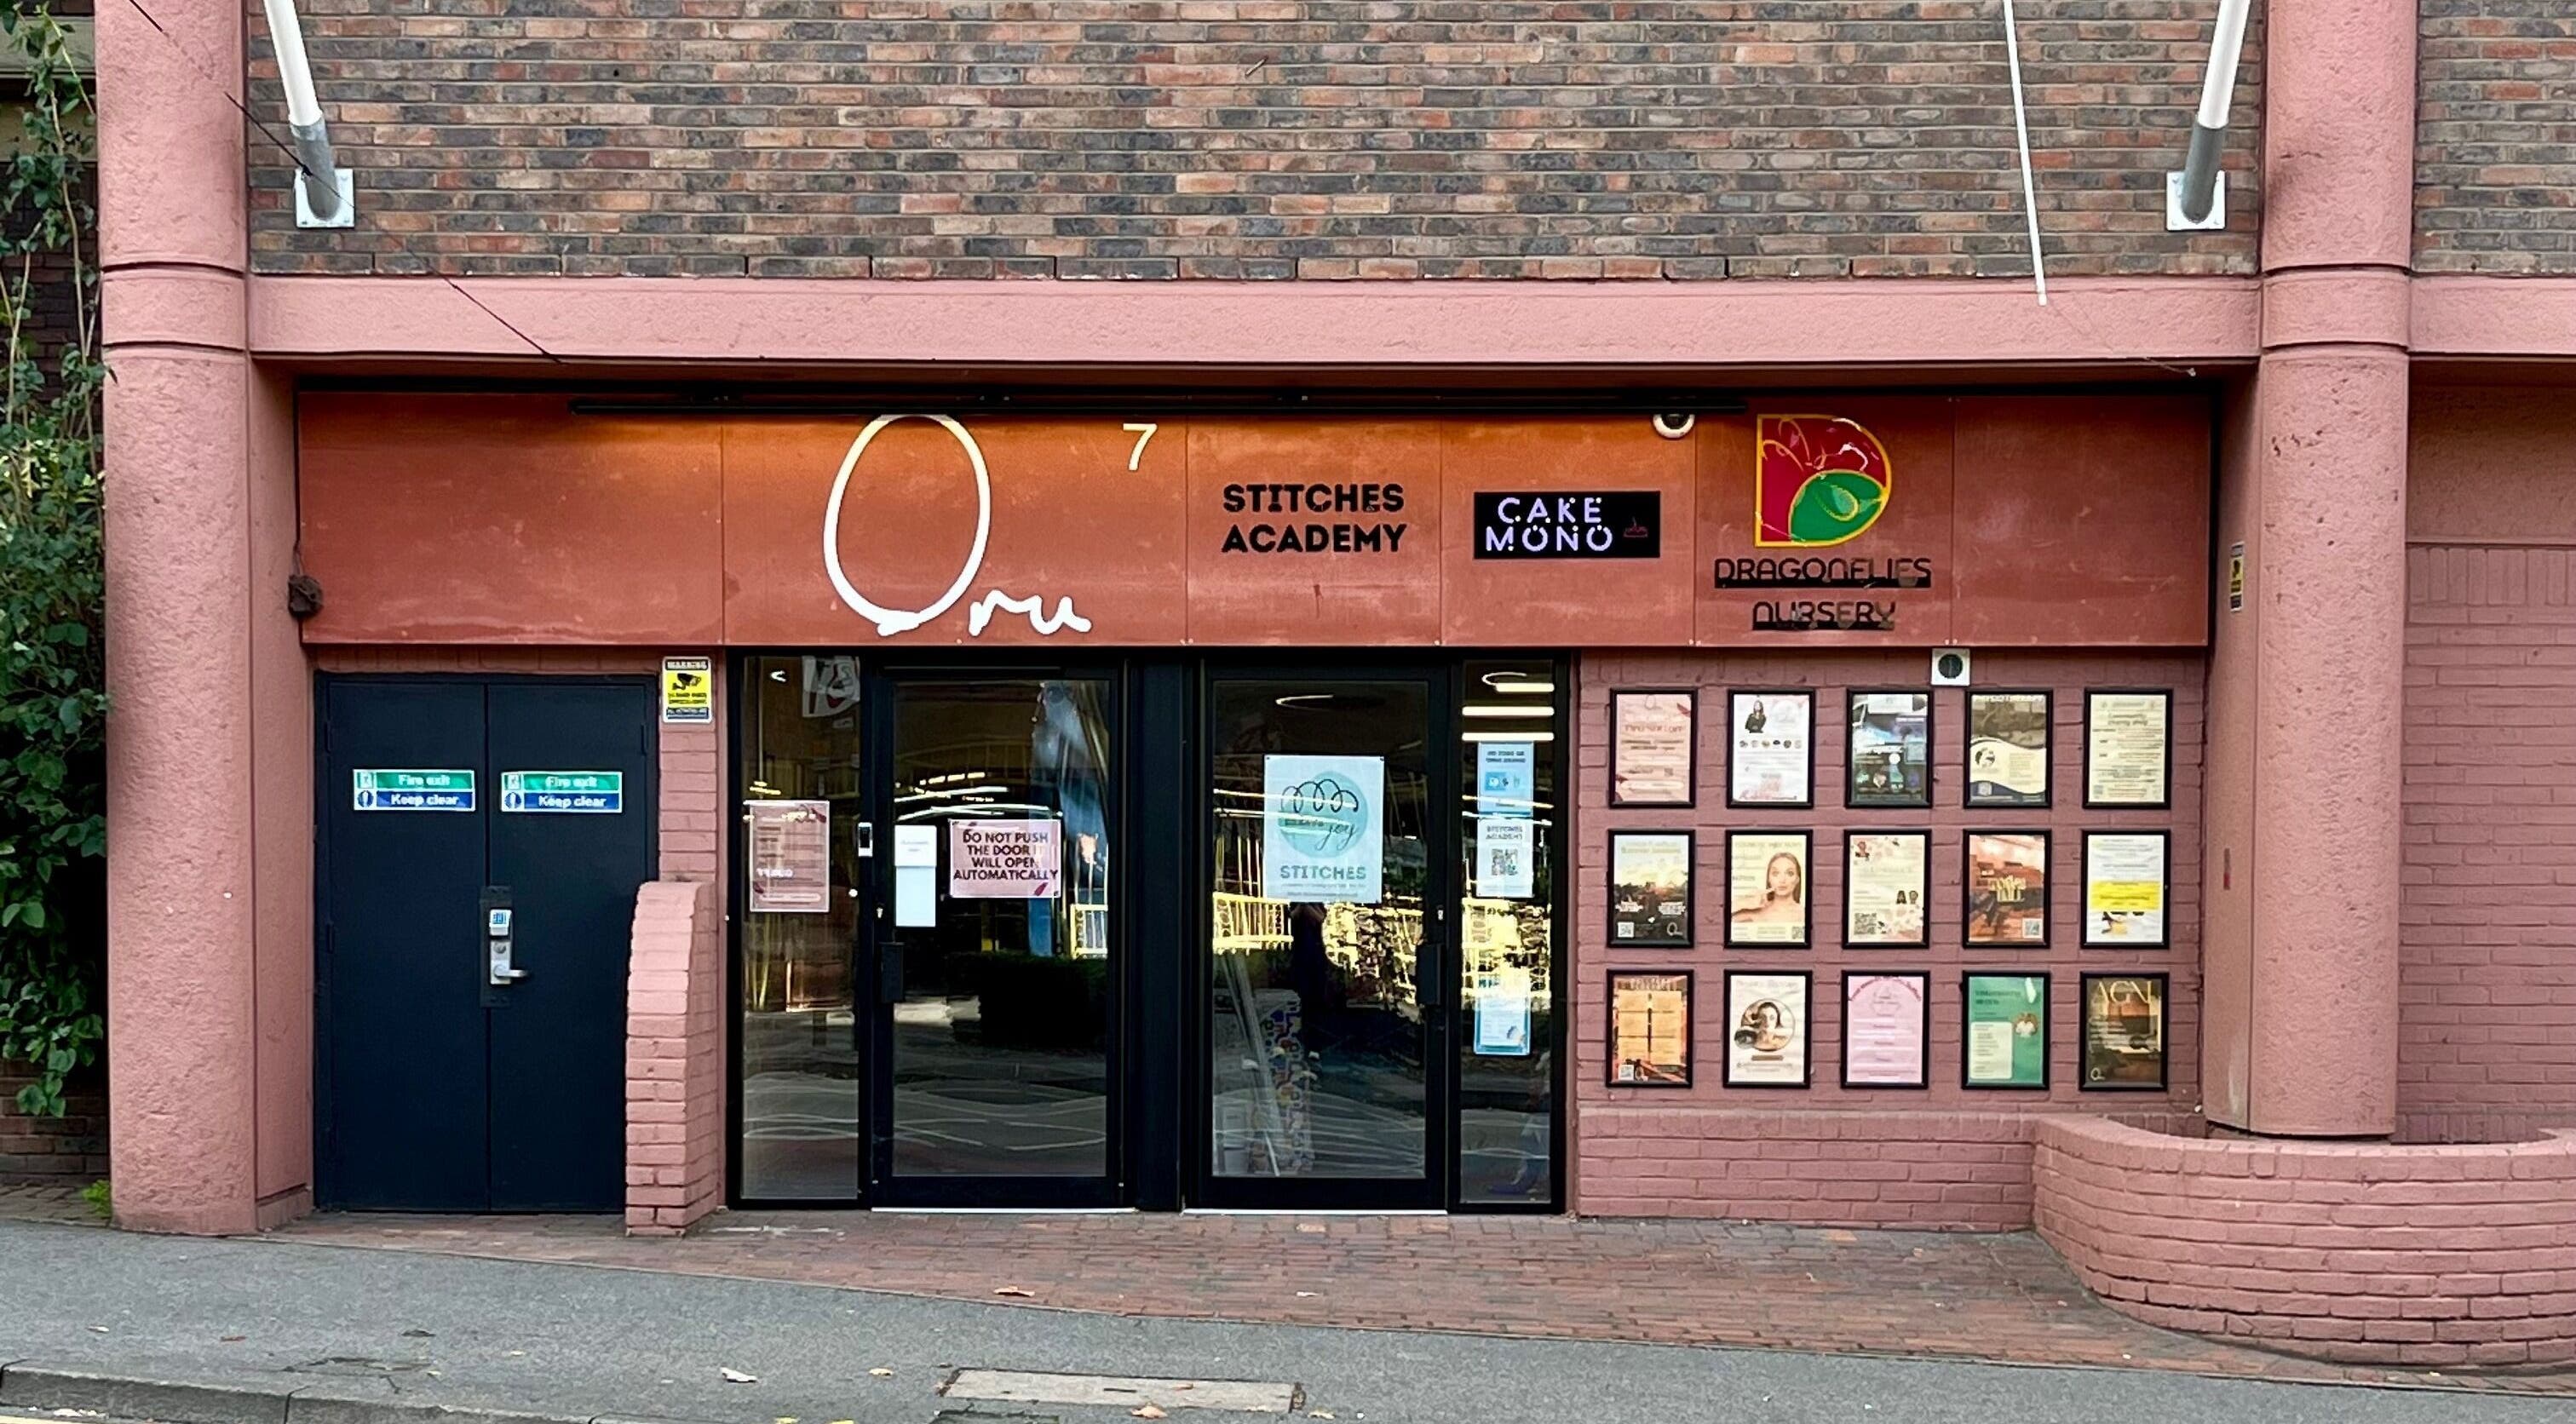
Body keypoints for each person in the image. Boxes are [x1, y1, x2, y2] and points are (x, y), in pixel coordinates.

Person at [1730, 851, 1803, 925]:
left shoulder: (1804, 914)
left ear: (1797, 879)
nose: (1782, 880)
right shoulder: (1755, 912)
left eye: (1789, 873)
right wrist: (1743, 902)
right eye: (1776, 873)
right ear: (1769, 879)